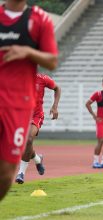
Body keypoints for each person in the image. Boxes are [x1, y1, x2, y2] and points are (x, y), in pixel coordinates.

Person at [0, 0, 58, 201]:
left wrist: (28, 52)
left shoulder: (39, 18)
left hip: (22, 108)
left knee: (5, 175)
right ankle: (27, 168)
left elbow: (52, 61)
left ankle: (29, 163)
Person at [15, 73, 61, 184]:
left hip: (36, 115)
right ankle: (37, 159)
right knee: (24, 144)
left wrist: (55, 106)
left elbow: (57, 88)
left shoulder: (42, 78)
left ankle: (21, 173)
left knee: (29, 140)